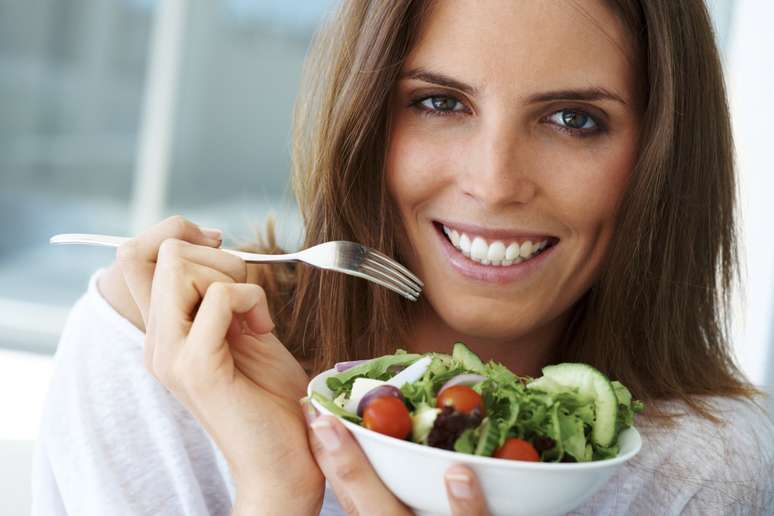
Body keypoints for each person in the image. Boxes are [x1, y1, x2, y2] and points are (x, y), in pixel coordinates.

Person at [32, 1, 774, 515]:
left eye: (573, 119)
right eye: (440, 103)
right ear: (364, 116)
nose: (493, 182)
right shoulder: (167, 354)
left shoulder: (703, 465)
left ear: (660, 156)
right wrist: (274, 493)